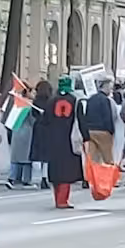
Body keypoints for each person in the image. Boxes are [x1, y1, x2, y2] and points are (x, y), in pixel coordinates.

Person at [43, 76, 84, 209]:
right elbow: (81, 120)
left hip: (53, 139)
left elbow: (45, 121)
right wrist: (86, 137)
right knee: (67, 171)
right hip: (69, 140)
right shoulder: (74, 101)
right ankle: (63, 200)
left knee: (56, 171)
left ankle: (57, 199)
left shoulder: (51, 101)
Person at [8, 87, 37, 189]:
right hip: (27, 132)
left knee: (15, 157)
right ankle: (26, 179)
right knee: (27, 158)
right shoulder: (29, 105)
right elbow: (32, 120)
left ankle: (12, 177)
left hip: (16, 130)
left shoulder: (17, 104)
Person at [84, 78, 117, 165]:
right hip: (103, 131)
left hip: (90, 130)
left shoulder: (90, 99)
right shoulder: (105, 100)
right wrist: (111, 131)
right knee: (107, 157)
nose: (111, 91)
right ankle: (107, 176)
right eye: (110, 88)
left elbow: (86, 114)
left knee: (92, 157)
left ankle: (90, 176)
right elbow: (107, 116)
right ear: (105, 88)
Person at [29, 80, 54, 190]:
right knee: (46, 155)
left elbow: (33, 114)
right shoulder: (51, 101)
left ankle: (36, 178)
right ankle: (45, 178)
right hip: (48, 128)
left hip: (38, 127)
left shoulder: (35, 102)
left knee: (37, 154)